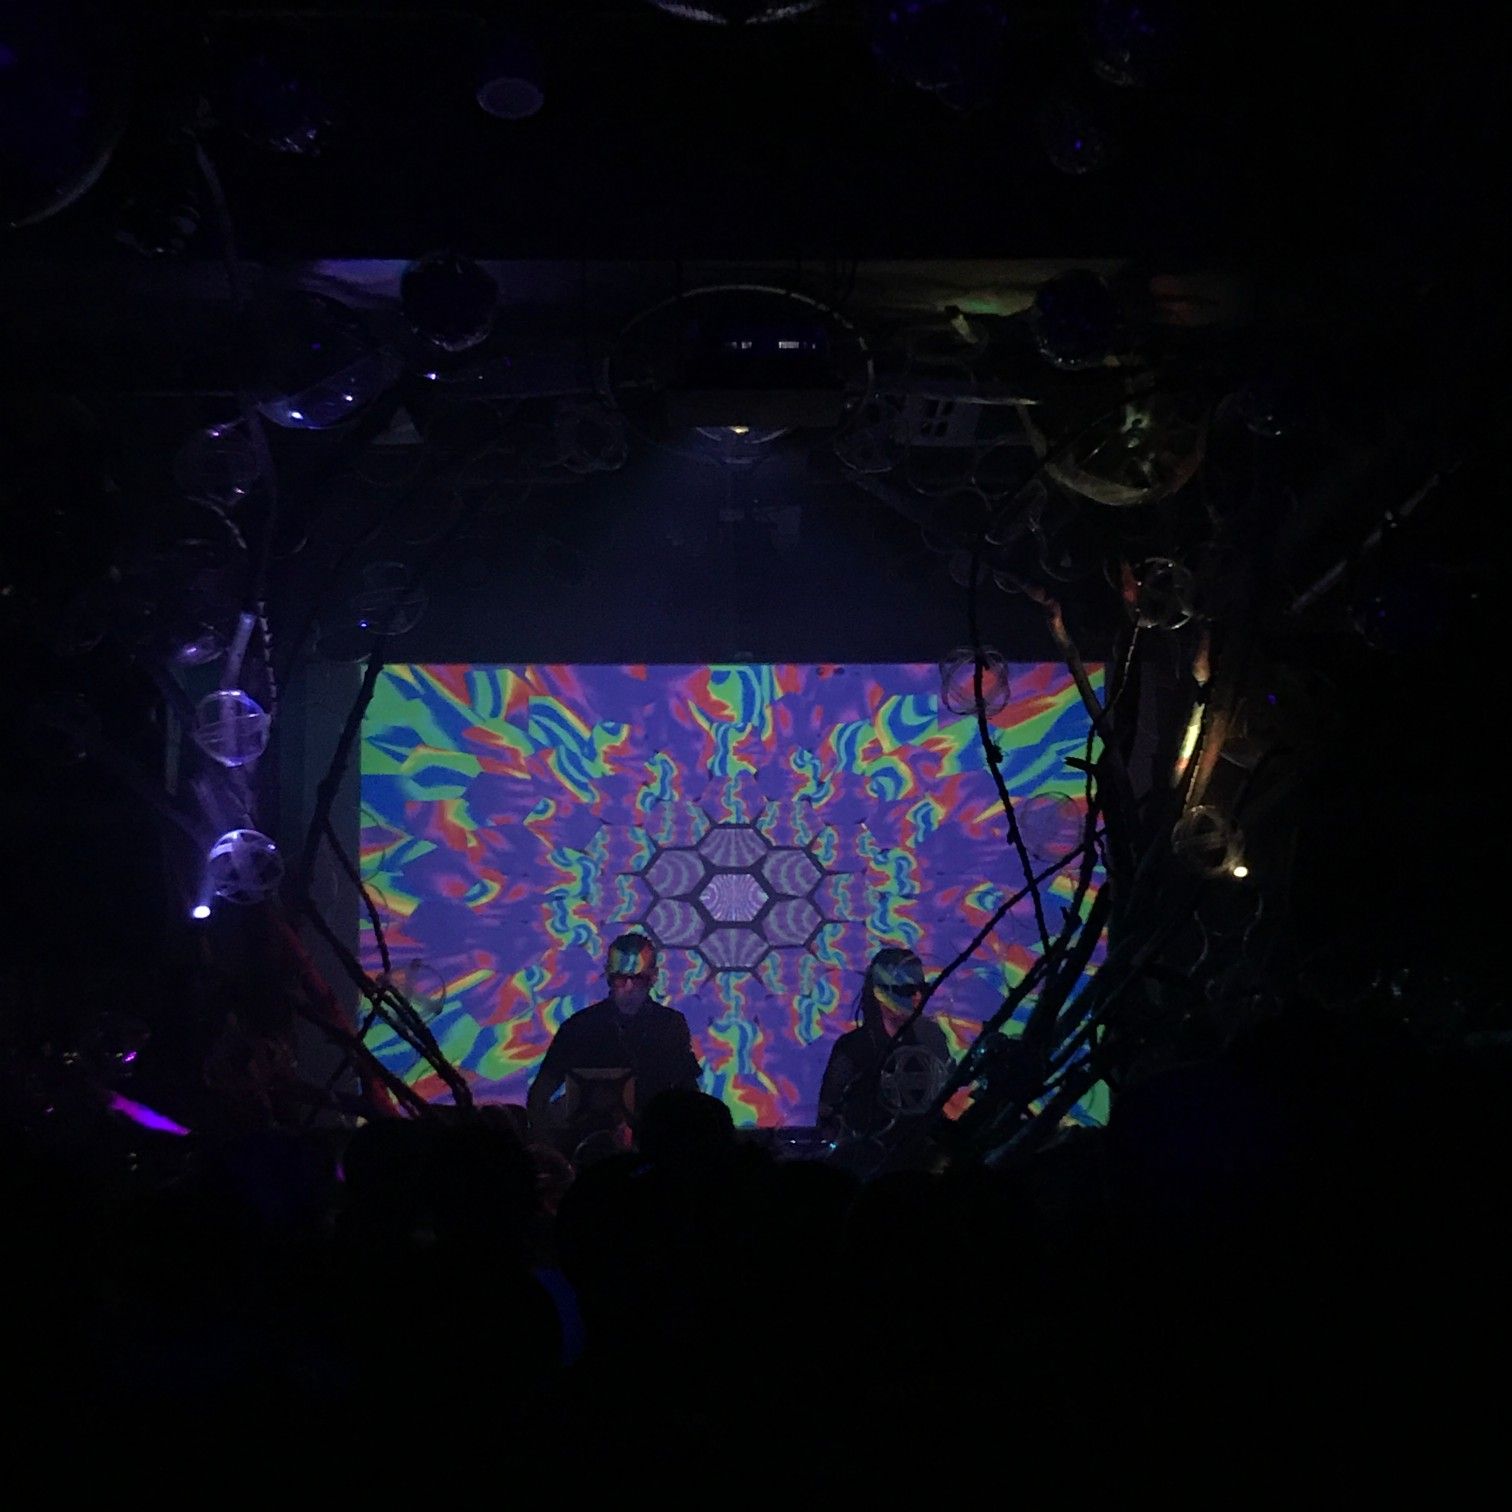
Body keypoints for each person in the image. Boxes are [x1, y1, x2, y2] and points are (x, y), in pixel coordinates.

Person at [526, 933, 702, 1155]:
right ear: (608, 975)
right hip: (588, 1151)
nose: (628, 987)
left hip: (655, 1148)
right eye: (620, 978)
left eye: (638, 978)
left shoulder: (669, 1026)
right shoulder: (580, 1027)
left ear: (653, 977)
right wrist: (550, 1149)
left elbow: (688, 1090)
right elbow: (539, 1094)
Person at [817, 946, 953, 1148]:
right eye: (907, 990)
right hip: (872, 1153)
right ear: (879, 993)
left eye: (922, 988)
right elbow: (827, 1115)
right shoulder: (853, 1048)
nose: (918, 996)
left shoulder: (932, 1036)